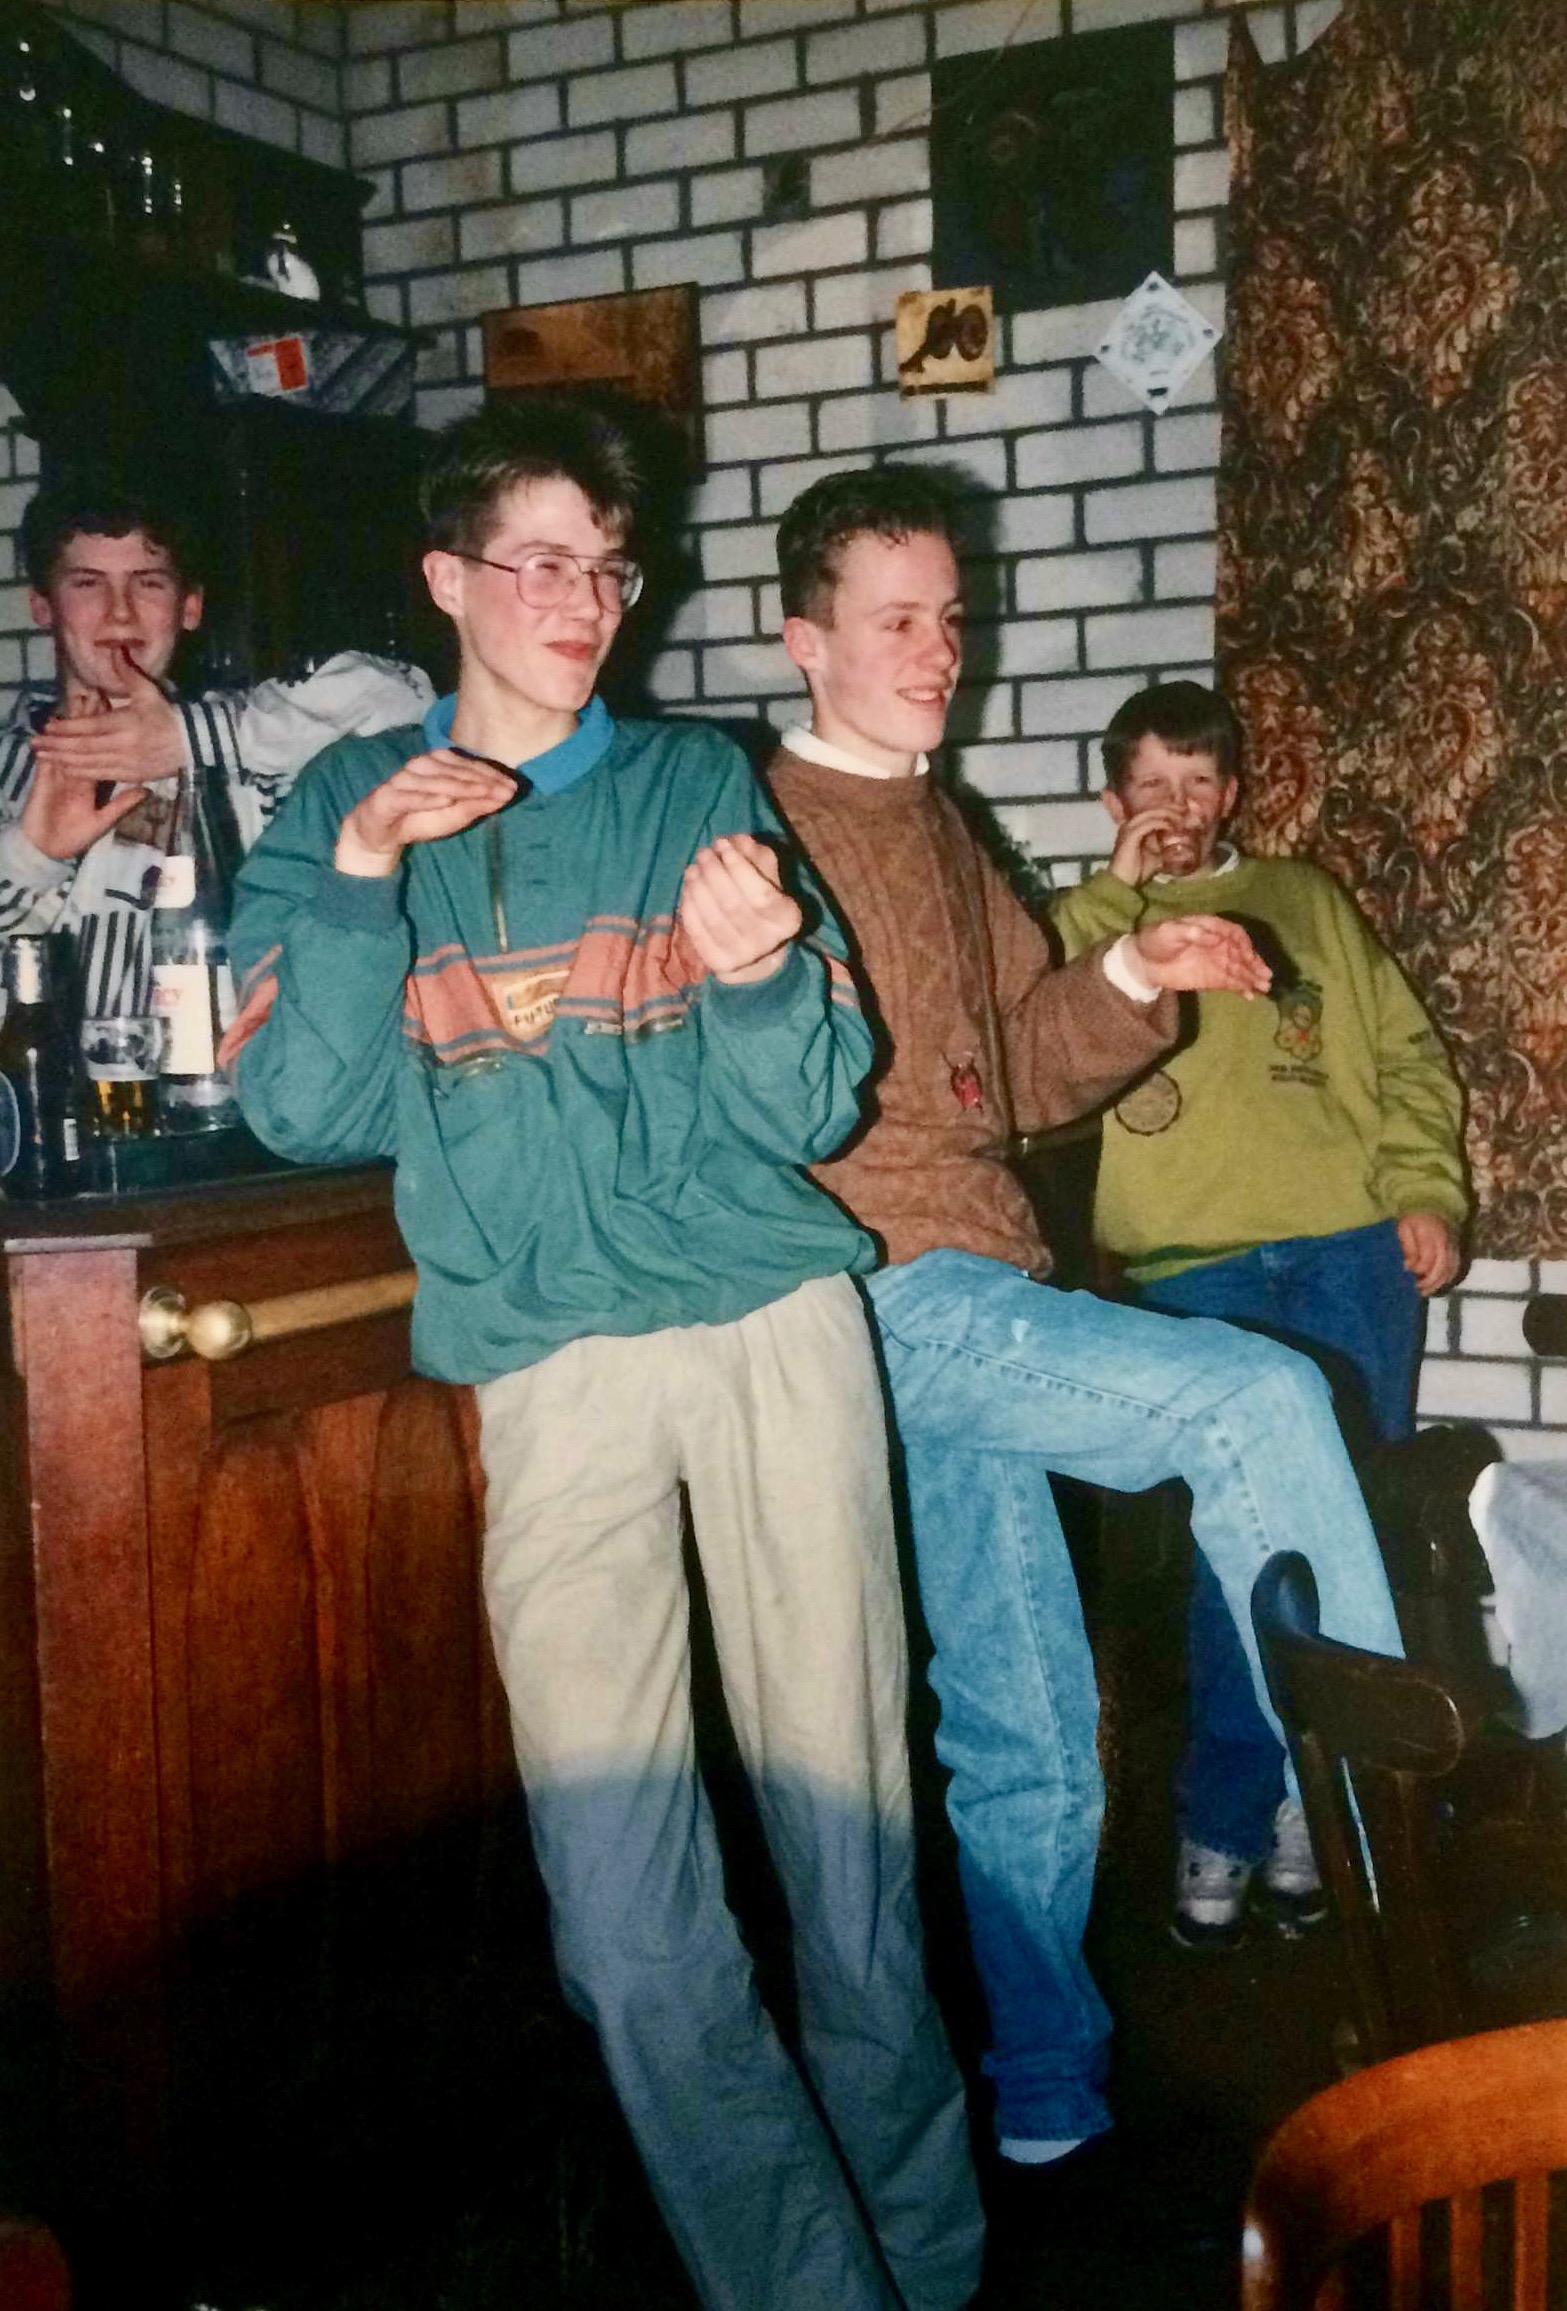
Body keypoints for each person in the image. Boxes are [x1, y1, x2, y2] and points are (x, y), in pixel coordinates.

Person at [222, 399, 983, 2311]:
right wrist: (362, 876)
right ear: (447, 579)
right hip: (548, 1367)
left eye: (608, 570)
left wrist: (756, 973)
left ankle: (928, 2260)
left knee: (848, 1857)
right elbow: (305, 1107)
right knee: (625, 1922)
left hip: (768, 1330)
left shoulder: (690, 780)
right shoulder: (338, 809)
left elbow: (813, 1099)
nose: (582, 603)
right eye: (541, 564)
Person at [762, 466, 1409, 2242]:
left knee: (1029, 1717)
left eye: (951, 618)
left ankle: (1045, 2091)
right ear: (803, 637)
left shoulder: (940, 819)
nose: (937, 652)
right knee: (1256, 1393)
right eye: (897, 619)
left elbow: (1023, 1070)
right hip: (881, 1290)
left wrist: (1140, 972)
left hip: (972, 1274)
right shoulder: (760, 820)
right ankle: (1388, 1838)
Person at [1052, 680, 1468, 1948]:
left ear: (1231, 792)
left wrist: (1423, 1191)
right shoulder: (1088, 919)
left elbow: (1406, 1055)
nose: (1177, 808)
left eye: (1198, 784)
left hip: (1347, 1255)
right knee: (1241, 1551)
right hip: (1196, 1269)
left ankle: (1320, 1812)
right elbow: (1036, 1026)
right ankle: (1226, 1818)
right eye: (1151, 786)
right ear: (1113, 799)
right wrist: (1120, 892)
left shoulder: (1306, 897)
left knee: (1351, 1534)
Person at [2, 479, 433, 1014]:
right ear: (43, 607)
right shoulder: (7, 763)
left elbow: (405, 696)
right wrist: (32, 855)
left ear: (190, 607)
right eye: (88, 584)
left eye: (148, 583)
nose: (120, 612)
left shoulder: (251, 755)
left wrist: (187, 739)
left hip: (222, 1067)